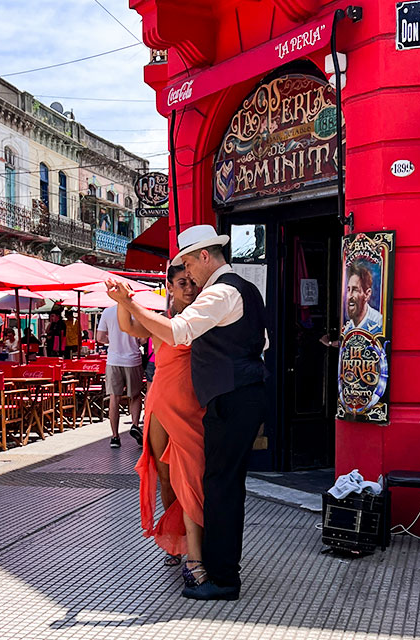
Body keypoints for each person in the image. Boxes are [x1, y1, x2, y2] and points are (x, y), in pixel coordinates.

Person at [107, 224, 268, 601]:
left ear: (204, 257)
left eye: (188, 265)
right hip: (240, 394)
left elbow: (178, 332)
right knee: (222, 485)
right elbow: (262, 343)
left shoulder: (221, 292)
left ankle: (224, 578)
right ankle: (219, 566)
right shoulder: (246, 290)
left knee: (220, 487)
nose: (188, 276)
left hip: (230, 398)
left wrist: (129, 302)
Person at [117, 264, 203, 574]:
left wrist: (128, 302)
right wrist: (121, 299)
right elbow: (127, 325)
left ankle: (197, 545)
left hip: (191, 408)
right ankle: (175, 540)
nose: (189, 288)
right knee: (166, 478)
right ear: (169, 287)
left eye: (193, 282)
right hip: (160, 404)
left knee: (191, 478)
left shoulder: (201, 320)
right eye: (182, 282)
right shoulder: (160, 322)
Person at [96, 305, 144, 449]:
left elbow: (100, 337)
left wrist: (113, 341)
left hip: (113, 360)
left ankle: (115, 437)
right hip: (133, 360)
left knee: (114, 398)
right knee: (135, 396)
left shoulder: (108, 312)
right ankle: (135, 425)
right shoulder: (137, 311)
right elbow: (143, 340)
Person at [343, 258, 382, 334]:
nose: (349, 296)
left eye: (355, 290)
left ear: (367, 294)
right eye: (348, 289)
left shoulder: (378, 323)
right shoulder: (348, 327)